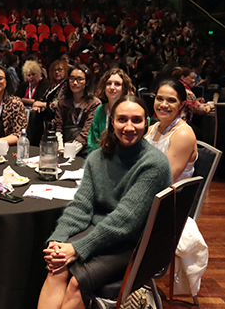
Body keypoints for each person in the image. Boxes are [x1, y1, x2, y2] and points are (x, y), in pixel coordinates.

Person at [37, 95, 172, 309]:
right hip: (101, 233)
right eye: (122, 120)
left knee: (75, 284)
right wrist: (58, 240)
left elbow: (125, 221)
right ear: (112, 122)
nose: (129, 127)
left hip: (134, 244)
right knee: (57, 267)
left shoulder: (154, 163)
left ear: (146, 122)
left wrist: (77, 248)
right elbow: (81, 206)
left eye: (136, 120)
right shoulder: (97, 157)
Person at [145, 79, 198, 182]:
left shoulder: (183, 135)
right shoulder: (151, 129)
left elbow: (165, 179)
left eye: (171, 100)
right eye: (159, 99)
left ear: (181, 105)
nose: (163, 105)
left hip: (168, 195)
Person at [86, 68, 136, 153]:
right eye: (109, 83)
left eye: (117, 84)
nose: (112, 87)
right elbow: (92, 142)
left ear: (124, 89)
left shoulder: (134, 110)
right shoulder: (100, 110)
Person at [54, 65, 101, 153]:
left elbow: (86, 132)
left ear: (87, 82)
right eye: (72, 79)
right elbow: (58, 127)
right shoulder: (62, 102)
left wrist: (70, 151)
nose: (75, 83)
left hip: (85, 149)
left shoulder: (94, 103)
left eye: (79, 79)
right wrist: (60, 148)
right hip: (64, 146)